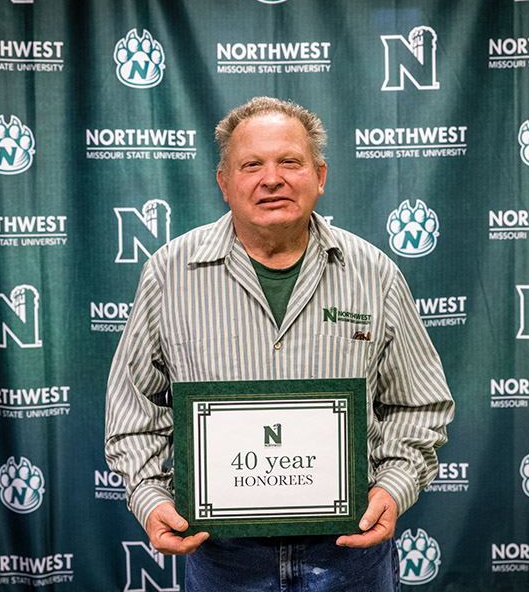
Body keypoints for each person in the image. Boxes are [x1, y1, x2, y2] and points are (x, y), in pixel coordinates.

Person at [106, 96, 454, 590]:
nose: (272, 178)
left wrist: (394, 486)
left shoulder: (375, 274)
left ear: (321, 175)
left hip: (349, 557)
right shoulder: (169, 273)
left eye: (290, 162)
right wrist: (149, 496)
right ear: (225, 183)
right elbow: (132, 407)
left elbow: (420, 403)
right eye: (252, 165)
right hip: (222, 558)